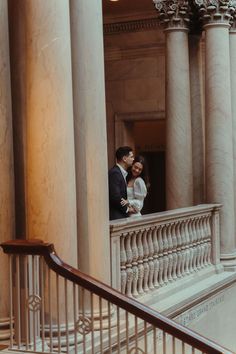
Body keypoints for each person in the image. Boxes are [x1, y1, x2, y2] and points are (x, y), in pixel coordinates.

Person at [108, 146, 135, 220]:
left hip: (121, 216)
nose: (133, 159)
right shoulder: (115, 173)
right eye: (131, 157)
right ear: (124, 159)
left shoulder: (121, 173)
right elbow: (115, 196)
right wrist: (127, 209)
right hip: (117, 217)